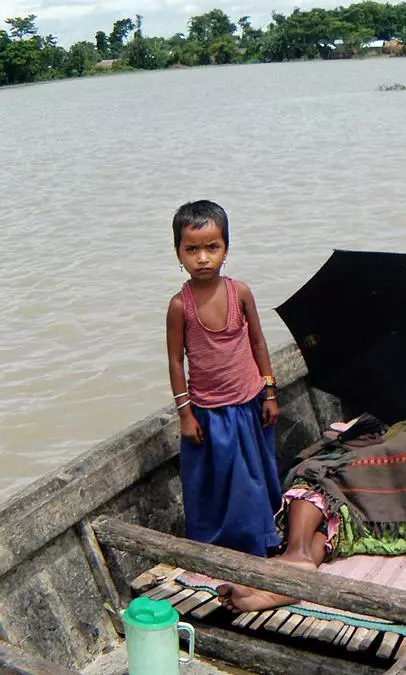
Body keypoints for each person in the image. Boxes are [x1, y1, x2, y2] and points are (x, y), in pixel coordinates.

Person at [217, 389, 406, 612]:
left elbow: (397, 435)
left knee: (324, 476)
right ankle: (305, 560)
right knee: (371, 514)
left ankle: (297, 552)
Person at [166, 199, 282, 557]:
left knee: (254, 477)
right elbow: (174, 360)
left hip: (249, 402)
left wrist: (270, 391)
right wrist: (185, 414)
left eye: (212, 248)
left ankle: (263, 537)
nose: (203, 258)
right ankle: (219, 546)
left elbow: (258, 342)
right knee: (215, 484)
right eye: (193, 249)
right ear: (178, 253)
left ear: (226, 249)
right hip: (209, 412)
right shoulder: (179, 305)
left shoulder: (240, 292)